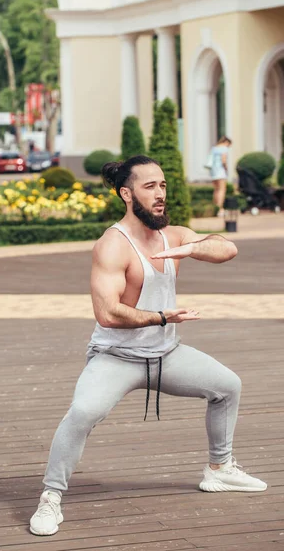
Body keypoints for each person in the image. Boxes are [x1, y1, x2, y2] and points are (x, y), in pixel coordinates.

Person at [30, 155, 267, 537]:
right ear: (126, 193)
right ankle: (50, 498)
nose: (160, 195)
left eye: (163, 186)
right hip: (116, 357)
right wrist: (161, 317)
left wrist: (192, 249)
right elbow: (107, 313)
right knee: (83, 412)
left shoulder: (172, 236)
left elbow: (226, 248)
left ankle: (220, 470)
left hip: (166, 355)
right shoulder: (112, 246)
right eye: (149, 187)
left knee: (228, 386)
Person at [210, 135, 232, 217]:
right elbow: (223, 160)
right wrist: (226, 168)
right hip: (220, 172)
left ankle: (215, 208)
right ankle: (220, 209)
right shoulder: (223, 148)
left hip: (213, 172)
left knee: (216, 190)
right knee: (222, 190)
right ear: (226, 142)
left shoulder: (214, 148)